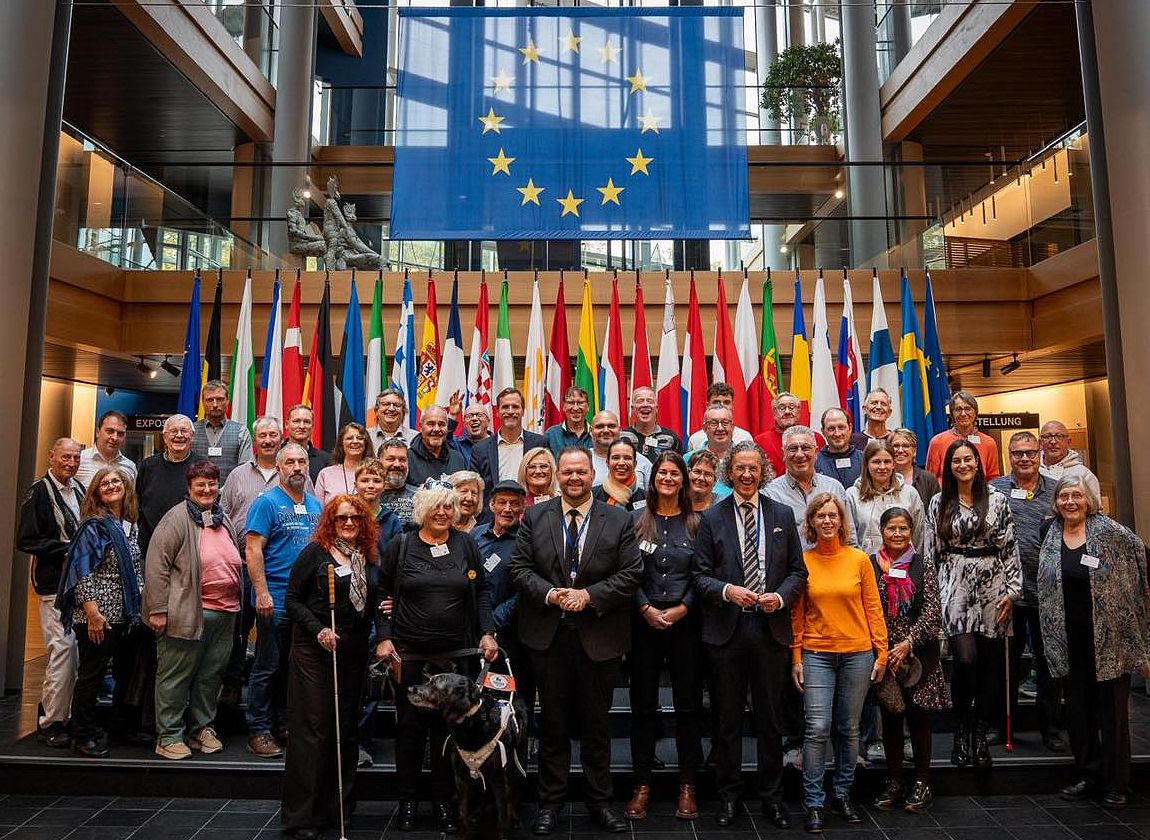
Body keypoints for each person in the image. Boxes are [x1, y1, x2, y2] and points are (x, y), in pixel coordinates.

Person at [509, 447, 642, 835]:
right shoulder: (536, 516)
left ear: (592, 475)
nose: (574, 477)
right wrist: (551, 594)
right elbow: (519, 568)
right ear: (558, 475)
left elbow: (631, 573)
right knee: (552, 726)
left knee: (596, 727)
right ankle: (550, 804)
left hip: (599, 637)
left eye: (581, 471)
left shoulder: (618, 519)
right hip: (548, 637)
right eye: (567, 472)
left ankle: (600, 803)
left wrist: (589, 595)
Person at [692, 441, 807, 830]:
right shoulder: (712, 517)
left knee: (770, 720)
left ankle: (771, 798)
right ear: (729, 472)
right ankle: (729, 797)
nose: (746, 474)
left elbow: (798, 571)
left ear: (763, 472)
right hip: (727, 630)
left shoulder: (781, 514)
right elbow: (700, 575)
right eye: (739, 468)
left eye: (753, 468)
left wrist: (780, 596)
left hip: (770, 630)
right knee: (727, 720)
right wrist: (727, 591)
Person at [378, 479, 498, 833]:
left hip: (458, 655)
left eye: (448, 506)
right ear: (422, 510)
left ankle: (445, 801)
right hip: (411, 654)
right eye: (436, 506)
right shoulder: (401, 545)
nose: (443, 512)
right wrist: (383, 638)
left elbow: (482, 591)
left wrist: (487, 631)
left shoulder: (466, 545)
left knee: (448, 732)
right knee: (409, 730)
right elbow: (381, 593)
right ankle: (408, 801)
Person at [1040, 476, 1149, 810]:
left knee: (1112, 715)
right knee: (1078, 712)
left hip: (1109, 640)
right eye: (1064, 496)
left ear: (1089, 500)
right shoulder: (1050, 533)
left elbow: (1140, 567)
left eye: (1076, 495)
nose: (1070, 502)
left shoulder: (1112, 533)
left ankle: (1117, 783)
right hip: (1068, 640)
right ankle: (1088, 774)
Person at [282, 495, 386, 839]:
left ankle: (338, 808)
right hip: (314, 650)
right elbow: (292, 601)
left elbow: (376, 601)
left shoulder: (368, 556)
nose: (349, 523)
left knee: (345, 728)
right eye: (342, 518)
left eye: (355, 518)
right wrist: (318, 629)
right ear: (331, 521)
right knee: (315, 729)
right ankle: (303, 816)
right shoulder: (315, 553)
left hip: (352, 651)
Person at [791, 493, 887, 832]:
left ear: (842, 521)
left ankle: (843, 794)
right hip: (816, 653)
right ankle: (814, 801)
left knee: (849, 728)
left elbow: (873, 607)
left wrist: (882, 651)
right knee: (817, 728)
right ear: (812, 522)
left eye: (833, 515)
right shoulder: (803, 561)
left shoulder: (859, 559)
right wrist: (796, 656)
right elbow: (797, 614)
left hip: (857, 654)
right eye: (821, 516)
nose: (828, 521)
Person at [925, 438, 1020, 769]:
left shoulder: (997, 499)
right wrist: (933, 594)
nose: (963, 465)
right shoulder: (938, 502)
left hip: (993, 584)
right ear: (948, 466)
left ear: (978, 463)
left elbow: (1010, 547)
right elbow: (931, 551)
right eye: (956, 461)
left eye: (968, 459)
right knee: (966, 660)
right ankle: (960, 731)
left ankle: (980, 735)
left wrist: (1012, 591)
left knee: (990, 665)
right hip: (954, 584)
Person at [144, 460, 241, 760]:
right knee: (175, 676)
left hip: (225, 614)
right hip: (186, 613)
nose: (207, 489)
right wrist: (158, 609)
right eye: (200, 484)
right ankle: (169, 735)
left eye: (212, 483)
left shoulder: (222, 518)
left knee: (210, 676)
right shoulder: (175, 519)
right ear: (189, 488)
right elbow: (156, 565)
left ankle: (202, 729)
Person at [625, 453, 703, 823]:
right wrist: (644, 607)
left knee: (688, 708)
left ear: (683, 479)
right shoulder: (635, 520)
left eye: (674, 473)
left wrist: (683, 608)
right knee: (643, 708)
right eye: (662, 473)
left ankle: (688, 785)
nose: (668, 478)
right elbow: (626, 570)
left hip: (686, 624)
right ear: (653, 478)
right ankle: (642, 785)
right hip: (644, 624)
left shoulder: (698, 523)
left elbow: (704, 572)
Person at [243, 443, 324, 758]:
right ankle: (259, 730)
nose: (297, 467)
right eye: (290, 462)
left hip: (306, 604)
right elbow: (253, 549)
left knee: (294, 667)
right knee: (268, 666)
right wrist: (261, 592)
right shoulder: (266, 503)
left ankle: (284, 723)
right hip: (274, 599)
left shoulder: (315, 505)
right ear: (279, 467)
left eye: (302, 461)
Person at [56, 467, 142, 758]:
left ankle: (119, 727)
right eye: (104, 483)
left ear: (126, 487)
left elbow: (135, 569)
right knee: (91, 675)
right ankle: (83, 734)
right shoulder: (93, 527)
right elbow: (81, 572)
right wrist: (92, 613)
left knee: (125, 673)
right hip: (98, 616)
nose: (111, 486)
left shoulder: (129, 525)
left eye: (116, 481)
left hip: (125, 614)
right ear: (96, 493)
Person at [870, 507, 947, 814]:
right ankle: (895, 780)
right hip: (885, 656)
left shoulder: (922, 565)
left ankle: (922, 782)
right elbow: (869, 608)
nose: (898, 534)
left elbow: (933, 611)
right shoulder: (872, 565)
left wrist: (908, 642)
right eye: (892, 528)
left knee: (919, 720)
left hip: (919, 656)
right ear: (882, 531)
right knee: (890, 719)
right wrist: (885, 649)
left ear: (911, 531)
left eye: (903, 528)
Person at [990, 432, 1064, 752]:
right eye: (1018, 453)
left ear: (1039, 455)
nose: (1024, 458)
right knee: (1005, 662)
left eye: (1030, 453)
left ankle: (1050, 727)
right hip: (1007, 592)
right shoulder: (995, 490)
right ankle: (1000, 725)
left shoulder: (1057, 491)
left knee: (1047, 661)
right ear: (1009, 456)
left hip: (1047, 591)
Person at [17, 437, 85, 748]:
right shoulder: (39, 492)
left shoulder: (79, 490)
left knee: (73, 655)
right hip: (52, 586)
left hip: (78, 585)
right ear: (51, 457)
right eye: (65, 457)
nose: (71, 463)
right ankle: (51, 722)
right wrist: (67, 549)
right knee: (63, 651)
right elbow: (26, 540)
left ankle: (64, 716)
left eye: (75, 458)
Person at [473, 480, 537, 759]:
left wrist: (494, 621)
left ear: (523, 507)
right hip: (476, 633)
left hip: (513, 634)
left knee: (516, 697)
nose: (508, 509)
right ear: (491, 504)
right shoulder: (475, 536)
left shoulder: (528, 540)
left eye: (514, 504)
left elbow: (527, 587)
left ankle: (519, 753)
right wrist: (481, 624)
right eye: (502, 502)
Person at [766, 425, 857, 550]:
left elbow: (849, 537)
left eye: (805, 448)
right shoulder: (770, 494)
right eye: (793, 449)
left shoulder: (834, 488)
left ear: (816, 452)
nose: (799, 454)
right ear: (783, 453)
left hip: (832, 561)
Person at [846, 439, 925, 555]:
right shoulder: (852, 495)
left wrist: (914, 561)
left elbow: (919, 534)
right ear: (866, 464)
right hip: (866, 563)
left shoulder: (910, 493)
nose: (882, 467)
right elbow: (849, 538)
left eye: (887, 462)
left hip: (905, 563)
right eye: (876, 462)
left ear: (893, 464)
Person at [135, 413, 196, 557]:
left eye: (184, 431)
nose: (179, 435)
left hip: (189, 548)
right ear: (164, 437)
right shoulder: (148, 466)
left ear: (192, 436)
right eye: (173, 431)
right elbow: (137, 505)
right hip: (151, 547)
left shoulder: (201, 467)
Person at [471, 387, 547, 494]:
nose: (510, 411)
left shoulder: (540, 443)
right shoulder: (480, 449)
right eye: (505, 407)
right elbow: (475, 488)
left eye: (515, 407)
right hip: (494, 505)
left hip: (530, 504)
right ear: (497, 412)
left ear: (523, 411)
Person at [924, 391, 1002, 481]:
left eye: (968, 409)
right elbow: (930, 480)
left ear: (975, 413)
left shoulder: (989, 443)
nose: (963, 414)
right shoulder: (937, 442)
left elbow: (993, 479)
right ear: (952, 414)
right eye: (958, 409)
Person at [192, 380, 253, 482]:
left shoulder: (241, 432)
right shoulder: (191, 431)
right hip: (198, 490)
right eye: (210, 400)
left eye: (219, 399)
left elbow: (245, 470)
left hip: (232, 491)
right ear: (203, 402)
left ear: (227, 401)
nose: (215, 404)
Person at [753, 392, 824, 478]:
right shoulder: (761, 441)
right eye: (782, 408)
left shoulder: (815, 438)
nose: (787, 412)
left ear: (799, 410)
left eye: (791, 407)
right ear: (774, 413)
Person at [685, 404, 741, 498]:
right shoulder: (688, 458)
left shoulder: (743, 458)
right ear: (704, 428)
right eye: (714, 423)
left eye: (725, 423)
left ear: (732, 427)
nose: (720, 428)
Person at [1039, 420, 1101, 502]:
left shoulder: (1084, 475)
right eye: (1047, 436)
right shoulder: (1032, 471)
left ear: (1068, 442)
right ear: (1040, 443)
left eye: (1059, 436)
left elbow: (1095, 507)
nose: (1053, 441)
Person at [405, 405, 467, 488]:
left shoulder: (457, 459)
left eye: (441, 424)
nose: (437, 429)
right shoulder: (407, 458)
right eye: (431, 424)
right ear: (420, 426)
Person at [590, 410, 652, 488]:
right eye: (600, 426)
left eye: (611, 426)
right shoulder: (582, 460)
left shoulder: (643, 462)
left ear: (620, 430)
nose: (606, 430)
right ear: (591, 431)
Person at [76, 410, 136, 487]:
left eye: (120, 434)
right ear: (97, 432)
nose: (115, 438)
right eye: (110, 431)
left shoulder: (130, 467)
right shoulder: (79, 460)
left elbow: (131, 494)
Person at [685, 383, 753, 450]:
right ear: (708, 406)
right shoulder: (695, 440)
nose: (722, 406)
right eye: (716, 402)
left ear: (732, 405)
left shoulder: (744, 438)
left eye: (726, 402)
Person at [622, 385, 682, 461]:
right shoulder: (622, 436)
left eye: (649, 401)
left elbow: (679, 465)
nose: (645, 405)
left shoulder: (671, 438)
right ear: (633, 408)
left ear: (656, 408)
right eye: (640, 401)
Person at [354, 459, 404, 547]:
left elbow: (398, 552)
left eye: (377, 481)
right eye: (365, 480)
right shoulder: (345, 516)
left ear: (384, 486)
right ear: (355, 485)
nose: (371, 486)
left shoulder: (392, 520)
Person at [591, 437, 648, 512]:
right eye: (616, 458)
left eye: (627, 458)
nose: (621, 463)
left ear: (635, 464)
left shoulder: (648, 499)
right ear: (607, 463)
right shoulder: (592, 496)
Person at [889, 428, 940, 508]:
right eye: (896, 446)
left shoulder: (928, 479)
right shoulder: (882, 477)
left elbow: (936, 510)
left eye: (906, 446)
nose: (900, 450)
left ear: (914, 451)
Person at [815, 407, 863, 489]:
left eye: (841, 427)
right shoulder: (814, 462)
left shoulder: (865, 460)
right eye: (831, 429)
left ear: (850, 428)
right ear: (823, 432)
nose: (837, 433)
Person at [285, 404, 332, 483]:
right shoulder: (275, 456)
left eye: (306, 422)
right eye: (296, 421)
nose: (302, 426)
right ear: (287, 424)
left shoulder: (326, 460)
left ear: (312, 426)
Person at [378, 437, 417, 524]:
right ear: (378, 462)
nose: (397, 464)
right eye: (391, 459)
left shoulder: (419, 497)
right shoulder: (367, 496)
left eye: (402, 460)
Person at [544, 385, 593, 455]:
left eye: (580, 403)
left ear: (588, 407)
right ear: (564, 407)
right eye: (571, 403)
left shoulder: (596, 434)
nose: (575, 408)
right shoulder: (551, 435)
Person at [366, 388, 418, 453]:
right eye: (386, 404)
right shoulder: (365, 437)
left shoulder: (415, 438)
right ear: (376, 410)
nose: (391, 409)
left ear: (403, 411)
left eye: (397, 405)